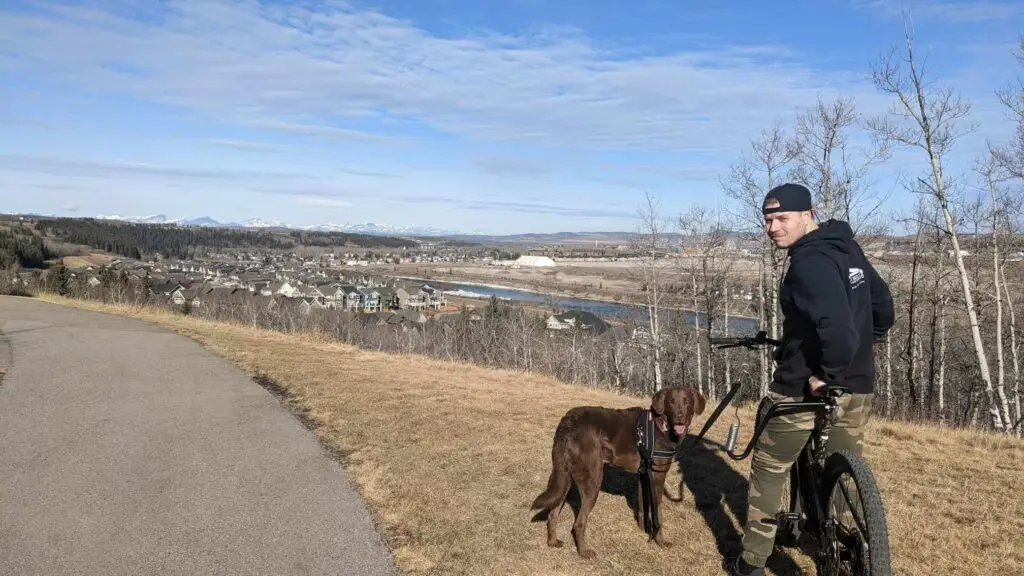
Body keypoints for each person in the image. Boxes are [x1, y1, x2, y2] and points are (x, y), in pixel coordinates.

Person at [726, 182, 895, 576]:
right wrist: (860, 353)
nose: (773, 227)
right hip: (857, 385)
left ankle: (751, 561)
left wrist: (826, 375)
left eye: (782, 218)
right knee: (841, 469)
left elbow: (836, 326)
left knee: (769, 466)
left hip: (806, 387)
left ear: (807, 215)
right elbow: (882, 307)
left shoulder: (809, 261)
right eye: (767, 219)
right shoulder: (848, 250)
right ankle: (837, 541)